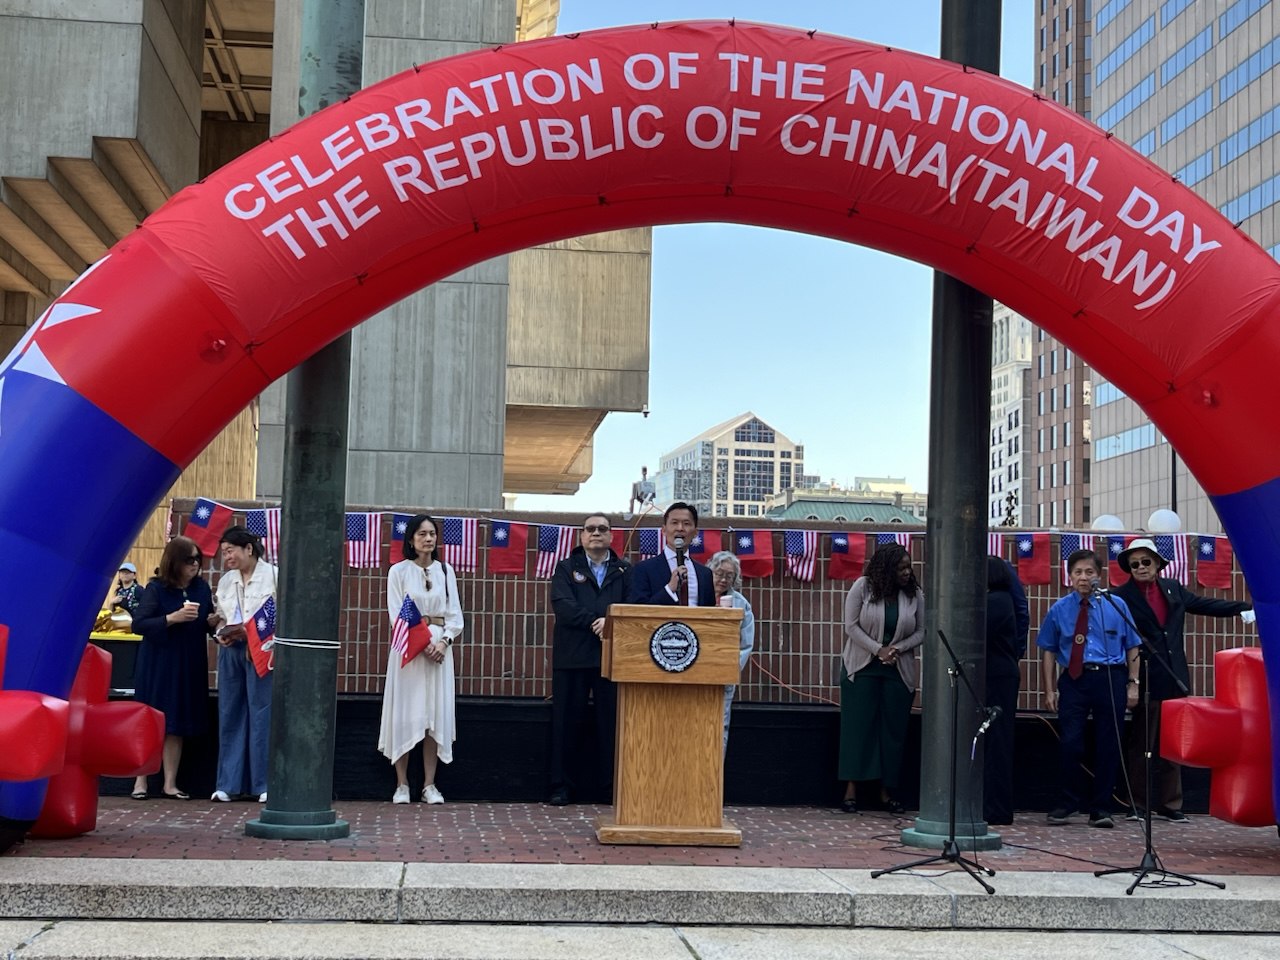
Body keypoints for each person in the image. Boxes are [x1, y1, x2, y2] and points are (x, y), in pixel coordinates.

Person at [1111, 537, 1252, 823]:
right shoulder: (1121, 597)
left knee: (1173, 743)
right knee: (1142, 744)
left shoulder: (1173, 588)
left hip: (1175, 676)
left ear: (1158, 564)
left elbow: (1205, 604)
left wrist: (1244, 608)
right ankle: (1137, 804)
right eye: (1134, 564)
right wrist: (1130, 682)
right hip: (1146, 677)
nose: (1140, 568)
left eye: (1145, 562)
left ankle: (1170, 804)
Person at [1038, 548, 1142, 828]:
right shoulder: (1059, 609)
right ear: (1069, 576)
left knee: (1109, 743)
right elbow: (1048, 650)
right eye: (1078, 572)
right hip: (1075, 680)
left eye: (1089, 572)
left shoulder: (1116, 605)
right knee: (1070, 742)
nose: (1083, 578)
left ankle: (1101, 808)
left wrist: (1133, 684)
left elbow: (1133, 646)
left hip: (1110, 678)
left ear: (1099, 575)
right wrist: (1049, 690)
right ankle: (1067, 802)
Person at [380, 514, 464, 804]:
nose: (428, 539)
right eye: (422, 534)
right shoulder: (398, 572)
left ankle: (429, 784)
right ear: (411, 539)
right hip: (409, 648)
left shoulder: (446, 571)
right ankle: (402, 784)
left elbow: (455, 615)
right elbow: (396, 615)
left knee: (433, 713)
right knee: (405, 710)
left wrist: (444, 641)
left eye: (432, 534)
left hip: (439, 650)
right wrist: (423, 642)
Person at [548, 513, 631, 805]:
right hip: (572, 657)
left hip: (612, 658)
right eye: (590, 529)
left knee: (611, 725)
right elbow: (563, 606)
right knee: (566, 724)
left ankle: (611, 788)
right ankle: (561, 787)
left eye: (602, 529)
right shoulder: (565, 568)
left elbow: (632, 605)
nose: (596, 533)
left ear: (611, 536)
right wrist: (597, 622)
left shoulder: (624, 570)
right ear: (582, 536)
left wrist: (611, 622)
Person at [838, 542, 924, 815]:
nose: (907, 572)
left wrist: (896, 649)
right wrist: (878, 650)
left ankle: (887, 792)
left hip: (898, 669)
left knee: (892, 732)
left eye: (908, 567)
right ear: (886, 569)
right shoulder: (862, 587)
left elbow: (922, 631)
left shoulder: (914, 594)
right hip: (862, 667)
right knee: (858, 729)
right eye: (900, 568)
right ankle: (851, 790)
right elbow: (851, 626)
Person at [130, 537, 214, 800]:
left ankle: (170, 783)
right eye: (189, 560)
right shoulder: (156, 588)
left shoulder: (201, 589)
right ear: (175, 562)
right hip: (159, 662)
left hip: (188, 662)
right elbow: (139, 624)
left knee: (177, 722)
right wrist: (171, 618)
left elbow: (205, 622)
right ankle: (140, 780)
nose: (195, 564)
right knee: (151, 719)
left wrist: (213, 622)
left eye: (198, 559)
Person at [209, 525, 277, 804]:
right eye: (224, 553)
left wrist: (252, 636)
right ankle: (228, 783)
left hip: (261, 650)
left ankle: (263, 783)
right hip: (232, 650)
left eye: (231, 551)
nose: (227, 557)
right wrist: (220, 632)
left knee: (261, 712)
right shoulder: (227, 581)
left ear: (248, 549)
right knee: (230, 712)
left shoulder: (273, 576)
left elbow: (278, 617)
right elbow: (221, 615)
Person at [983, 556, 1029, 826]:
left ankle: (996, 808)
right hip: (999, 674)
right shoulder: (1002, 600)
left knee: (997, 743)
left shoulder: (996, 601)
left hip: (997, 677)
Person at [708, 551, 755, 754]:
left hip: (723, 675)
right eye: (719, 573)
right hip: (695, 672)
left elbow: (746, 644)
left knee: (720, 725)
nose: (723, 579)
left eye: (729, 575)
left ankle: (716, 770)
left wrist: (730, 669)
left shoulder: (741, 604)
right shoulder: (695, 595)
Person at [627, 501, 715, 606]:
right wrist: (669, 589)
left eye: (686, 524)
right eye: (674, 523)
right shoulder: (644, 569)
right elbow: (638, 610)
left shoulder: (705, 574)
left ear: (695, 533)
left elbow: (710, 611)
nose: (680, 528)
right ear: (664, 530)